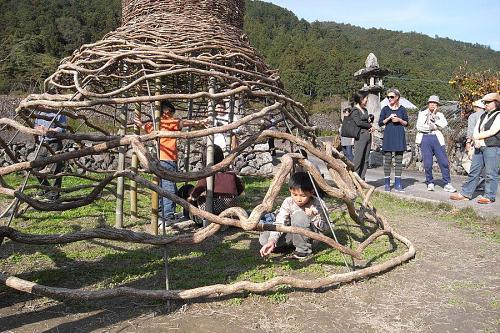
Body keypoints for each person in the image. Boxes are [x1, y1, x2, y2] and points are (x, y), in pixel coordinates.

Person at [134, 100, 208, 224]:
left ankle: (161, 212)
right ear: (167, 111)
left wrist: (140, 123)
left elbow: (143, 126)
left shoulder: (154, 124)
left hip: (158, 159)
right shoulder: (169, 122)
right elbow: (183, 122)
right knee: (169, 187)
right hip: (168, 159)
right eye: (172, 112)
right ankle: (167, 216)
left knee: (161, 186)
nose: (173, 115)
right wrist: (199, 122)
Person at [259, 172, 329, 259]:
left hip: (311, 236)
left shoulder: (318, 204)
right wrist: (272, 241)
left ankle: (303, 250)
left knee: (299, 216)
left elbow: (326, 228)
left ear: (311, 192)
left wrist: (313, 217)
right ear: (290, 191)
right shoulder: (288, 201)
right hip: (292, 232)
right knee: (264, 239)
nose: (298, 199)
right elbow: (280, 222)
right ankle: (291, 245)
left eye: (303, 195)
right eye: (295, 194)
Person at [450, 92, 500, 204]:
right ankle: (466, 193)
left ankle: (489, 196)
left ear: (496, 103)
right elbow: (477, 129)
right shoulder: (483, 115)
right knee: (474, 171)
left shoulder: (499, 115)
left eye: (488, 102)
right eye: (484, 102)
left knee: (491, 173)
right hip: (479, 146)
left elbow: (493, 131)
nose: (485, 104)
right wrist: (475, 140)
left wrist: (476, 137)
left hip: (492, 146)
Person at [188, 144, 245, 216]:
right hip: (233, 206)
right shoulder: (231, 173)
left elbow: (196, 192)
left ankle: (201, 218)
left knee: (192, 209)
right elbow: (240, 188)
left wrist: (190, 199)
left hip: (215, 208)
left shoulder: (207, 175)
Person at [415, 95, 456, 192]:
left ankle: (447, 183)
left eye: (435, 103)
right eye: (431, 102)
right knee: (427, 163)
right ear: (428, 104)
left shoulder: (440, 115)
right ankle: (430, 182)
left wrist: (434, 118)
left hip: (437, 138)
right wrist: (433, 127)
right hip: (425, 138)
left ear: (437, 105)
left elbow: (444, 124)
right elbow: (419, 127)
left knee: (443, 161)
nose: (433, 104)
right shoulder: (422, 113)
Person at [378, 88, 409, 192]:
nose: (389, 98)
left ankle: (398, 184)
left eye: (391, 97)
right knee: (387, 161)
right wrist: (389, 118)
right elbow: (380, 123)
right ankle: (387, 184)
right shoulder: (385, 109)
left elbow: (407, 123)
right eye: (388, 97)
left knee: (399, 161)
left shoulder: (402, 109)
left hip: (399, 136)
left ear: (397, 97)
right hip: (388, 136)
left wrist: (399, 120)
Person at [34, 110, 67, 201]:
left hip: (54, 143)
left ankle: (55, 193)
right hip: (42, 143)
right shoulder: (39, 113)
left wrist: (49, 130)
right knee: (35, 168)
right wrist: (39, 129)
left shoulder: (59, 113)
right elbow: (35, 125)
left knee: (56, 168)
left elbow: (62, 128)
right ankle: (47, 188)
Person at [351, 91, 375, 180]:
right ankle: (355, 179)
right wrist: (369, 125)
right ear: (360, 99)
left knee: (365, 159)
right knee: (358, 158)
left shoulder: (365, 110)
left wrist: (370, 122)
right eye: (365, 98)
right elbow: (358, 122)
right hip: (360, 136)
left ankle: (362, 178)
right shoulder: (355, 110)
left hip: (368, 135)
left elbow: (366, 121)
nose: (366, 100)